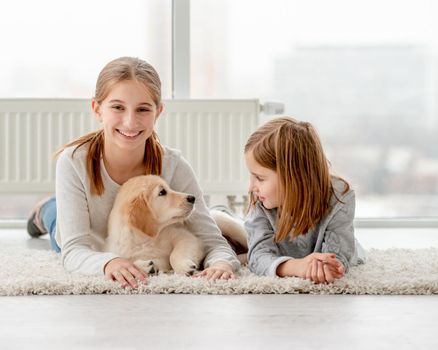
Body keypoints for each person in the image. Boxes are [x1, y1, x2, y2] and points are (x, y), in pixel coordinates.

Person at [27, 57, 240, 288]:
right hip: (97, 243)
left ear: (158, 112)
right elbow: (74, 251)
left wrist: (222, 263)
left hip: (143, 244)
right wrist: (109, 263)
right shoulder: (73, 162)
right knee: (58, 227)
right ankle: (44, 209)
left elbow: (212, 240)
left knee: (203, 218)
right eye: (118, 107)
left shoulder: (173, 165)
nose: (130, 122)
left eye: (143, 109)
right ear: (97, 109)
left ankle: (216, 211)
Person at [244, 117, 365, 284]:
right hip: (291, 261)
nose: (251, 187)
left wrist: (326, 267)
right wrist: (298, 267)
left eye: (259, 178)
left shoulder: (340, 197)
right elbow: (258, 257)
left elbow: (339, 257)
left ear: (292, 177)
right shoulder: (262, 202)